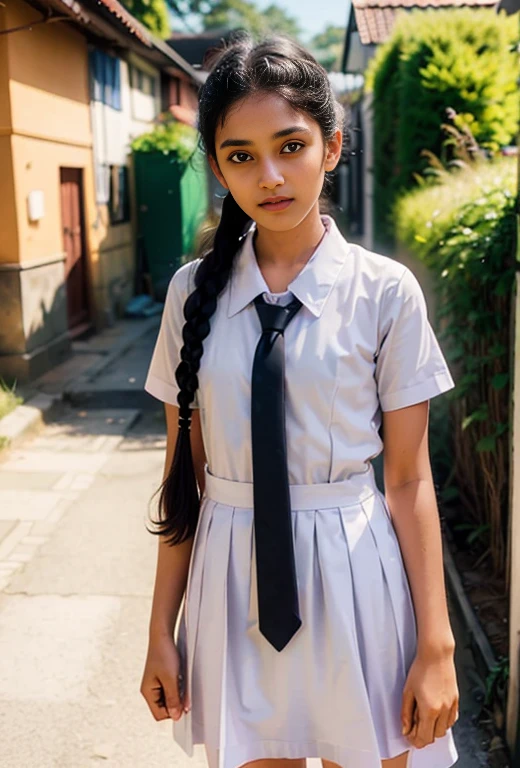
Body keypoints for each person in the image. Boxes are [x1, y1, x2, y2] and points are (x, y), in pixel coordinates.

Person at [139, 31, 460, 768]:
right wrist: (161, 628)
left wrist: (436, 642)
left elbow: (409, 481)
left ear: (333, 147)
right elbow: (182, 479)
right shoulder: (193, 293)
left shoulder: (384, 293)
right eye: (241, 155)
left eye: (291, 145)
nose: (271, 176)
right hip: (232, 585)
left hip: (357, 579)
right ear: (219, 166)